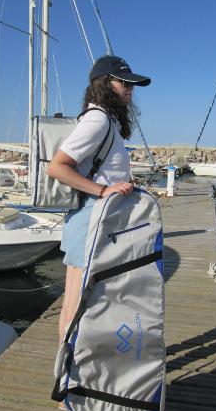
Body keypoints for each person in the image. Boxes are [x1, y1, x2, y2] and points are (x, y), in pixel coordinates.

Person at [47, 55, 151, 374]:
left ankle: (71, 371)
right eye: (124, 82)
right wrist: (102, 190)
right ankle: (68, 376)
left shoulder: (106, 120)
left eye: (132, 83)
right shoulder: (97, 121)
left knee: (80, 298)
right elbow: (57, 167)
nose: (130, 88)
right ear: (106, 84)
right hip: (90, 217)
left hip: (97, 218)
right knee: (77, 300)